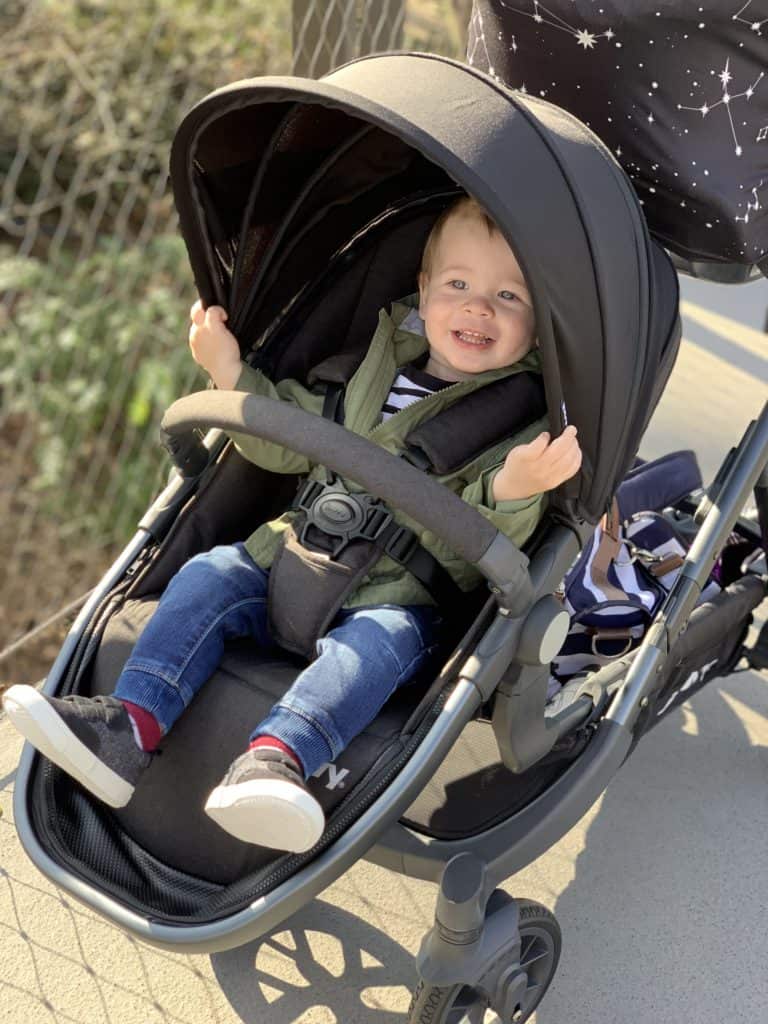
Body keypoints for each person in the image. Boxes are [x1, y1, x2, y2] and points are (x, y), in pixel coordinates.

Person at [2, 197, 582, 854]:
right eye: (459, 285)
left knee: (375, 649)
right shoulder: (375, 363)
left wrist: (514, 489)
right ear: (423, 294)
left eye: (509, 296)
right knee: (209, 574)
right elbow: (293, 434)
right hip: (288, 553)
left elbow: (474, 556)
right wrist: (229, 372)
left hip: (401, 596)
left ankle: (275, 760)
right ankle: (128, 726)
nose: (480, 308)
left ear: (537, 327)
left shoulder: (522, 423)